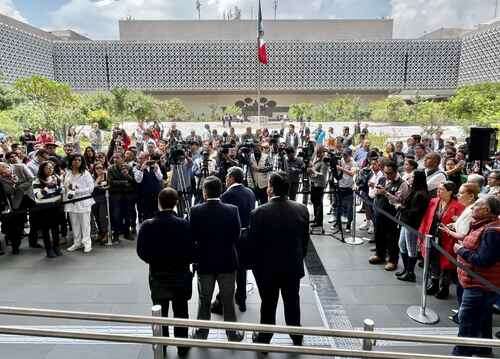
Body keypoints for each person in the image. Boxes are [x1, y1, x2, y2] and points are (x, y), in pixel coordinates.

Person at [249, 171, 310, 346]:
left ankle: (265, 338)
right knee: (292, 302)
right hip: (292, 267)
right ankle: (296, 336)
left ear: (271, 189)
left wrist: (257, 268)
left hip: (267, 270)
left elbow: (253, 245)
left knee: (268, 304)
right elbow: (304, 241)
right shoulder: (301, 209)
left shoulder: (258, 213)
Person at [137, 188, 193, 357]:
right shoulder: (184, 224)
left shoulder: (148, 225)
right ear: (176, 203)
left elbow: (141, 251)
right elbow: (192, 250)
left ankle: (162, 343)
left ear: (158, 202)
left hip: (158, 274)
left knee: (160, 312)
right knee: (181, 311)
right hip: (180, 274)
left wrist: (153, 261)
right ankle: (182, 345)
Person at [190, 176, 244, 342]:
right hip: (227, 261)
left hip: (205, 262)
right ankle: (232, 333)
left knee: (204, 299)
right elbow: (237, 235)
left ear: (204, 192)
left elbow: (191, 237)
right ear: (220, 191)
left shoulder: (195, 211)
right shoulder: (232, 210)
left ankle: (201, 333)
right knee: (228, 299)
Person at [452, 196, 500, 357]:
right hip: (479, 283)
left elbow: (484, 260)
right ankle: (483, 349)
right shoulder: (484, 226)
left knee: (467, 323)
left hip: (479, 285)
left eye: (476, 206)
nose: (472, 209)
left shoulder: (492, 231)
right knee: (482, 320)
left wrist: (460, 250)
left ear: (487, 210)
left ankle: (462, 352)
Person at [211, 167, 256, 314]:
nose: (225, 179)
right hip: (247, 237)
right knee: (242, 271)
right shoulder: (250, 192)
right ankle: (241, 300)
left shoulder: (226, 195)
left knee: (229, 271)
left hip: (232, 238)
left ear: (232, 178)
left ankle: (222, 300)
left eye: (227, 176)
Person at [419, 181, 464, 299]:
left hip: (448, 238)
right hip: (432, 235)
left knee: (446, 263)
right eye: (438, 189)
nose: (438, 191)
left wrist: (455, 223)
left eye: (442, 189)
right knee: (433, 260)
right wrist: (422, 233)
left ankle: (444, 287)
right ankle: (434, 283)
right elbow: (426, 218)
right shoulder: (434, 201)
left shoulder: (458, 206)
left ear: (450, 192)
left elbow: (461, 225)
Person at [369, 161, 408, 271]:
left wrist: (386, 193)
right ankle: (379, 255)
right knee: (379, 235)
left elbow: (401, 201)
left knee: (392, 238)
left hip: (392, 216)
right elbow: (375, 193)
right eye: (385, 173)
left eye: (390, 173)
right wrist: (377, 192)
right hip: (378, 212)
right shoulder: (382, 179)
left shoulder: (402, 183)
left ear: (396, 172)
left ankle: (392, 260)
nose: (387, 175)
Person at [396, 170, 430, 282]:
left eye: (412, 177)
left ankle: (410, 272)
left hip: (412, 224)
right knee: (402, 245)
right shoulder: (415, 191)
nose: (410, 179)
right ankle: (406, 269)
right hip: (406, 222)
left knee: (411, 249)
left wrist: (401, 208)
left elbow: (415, 211)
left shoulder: (421, 194)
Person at [64, 154, 95, 253]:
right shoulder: (68, 173)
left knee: (85, 224)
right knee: (74, 224)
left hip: (83, 201)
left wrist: (77, 191)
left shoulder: (85, 173)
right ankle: (77, 242)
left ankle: (87, 243)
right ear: (71, 161)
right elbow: (66, 186)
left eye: (79, 160)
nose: (76, 162)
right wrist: (68, 189)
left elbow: (91, 188)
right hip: (71, 202)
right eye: (74, 160)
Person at [32, 161, 64, 258]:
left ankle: (56, 247)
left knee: (55, 229)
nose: (50, 170)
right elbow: (38, 196)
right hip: (44, 208)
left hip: (56, 207)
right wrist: (47, 187)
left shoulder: (56, 177)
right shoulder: (37, 180)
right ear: (42, 169)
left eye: (51, 168)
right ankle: (48, 249)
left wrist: (58, 187)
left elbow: (62, 191)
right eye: (48, 168)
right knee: (45, 230)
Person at [108, 152, 136, 242]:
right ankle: (115, 234)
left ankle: (127, 233)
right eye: (114, 157)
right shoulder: (111, 169)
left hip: (127, 195)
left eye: (118, 157)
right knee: (116, 215)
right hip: (116, 195)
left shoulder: (129, 168)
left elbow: (133, 182)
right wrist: (124, 182)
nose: (115, 159)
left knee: (127, 215)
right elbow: (111, 182)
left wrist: (127, 175)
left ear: (123, 158)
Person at [337, 149, 356, 233]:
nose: (344, 157)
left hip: (349, 188)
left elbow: (352, 173)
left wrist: (341, 169)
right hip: (340, 186)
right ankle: (338, 223)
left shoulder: (353, 163)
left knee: (349, 208)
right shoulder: (341, 160)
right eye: (343, 155)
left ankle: (348, 225)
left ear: (350, 155)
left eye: (346, 155)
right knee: (339, 206)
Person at [309, 147, 328, 230]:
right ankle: (316, 218)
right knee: (314, 201)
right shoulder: (316, 160)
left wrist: (313, 172)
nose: (318, 154)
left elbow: (323, 175)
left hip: (319, 185)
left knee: (318, 202)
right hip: (314, 183)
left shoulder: (324, 162)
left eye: (320, 153)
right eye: (317, 153)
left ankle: (319, 221)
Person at [91, 162, 109, 244]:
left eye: (101, 168)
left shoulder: (106, 176)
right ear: (94, 169)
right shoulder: (91, 177)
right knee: (97, 217)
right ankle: (100, 233)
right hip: (94, 199)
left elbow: (110, 185)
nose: (99, 169)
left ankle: (105, 234)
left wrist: (105, 187)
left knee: (103, 217)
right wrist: (98, 179)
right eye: (97, 168)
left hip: (104, 199)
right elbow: (92, 188)